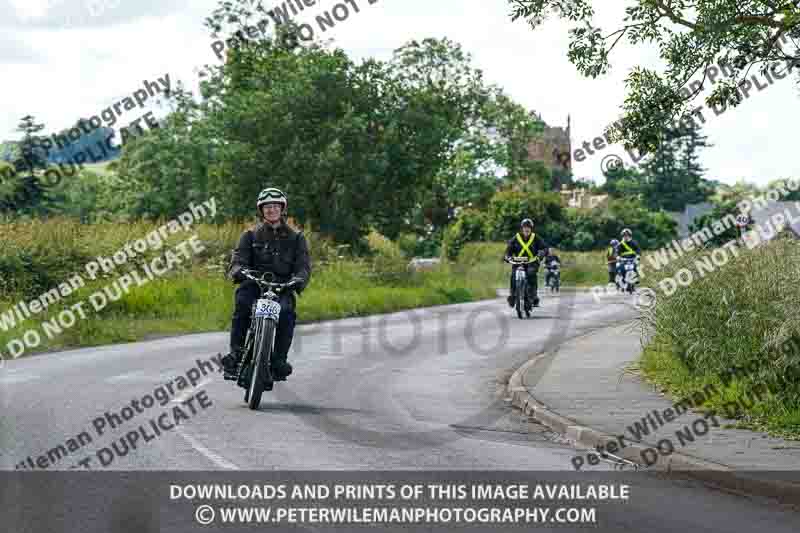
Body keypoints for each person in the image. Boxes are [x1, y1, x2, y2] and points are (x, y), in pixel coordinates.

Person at [221, 187, 311, 381]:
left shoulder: (297, 238)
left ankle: (279, 361)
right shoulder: (250, 235)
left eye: (275, 206)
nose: (271, 210)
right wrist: (239, 271)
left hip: (282, 287)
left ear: (282, 209)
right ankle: (236, 354)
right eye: (267, 207)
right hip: (254, 284)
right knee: (242, 304)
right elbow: (237, 260)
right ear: (261, 210)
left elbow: (303, 266)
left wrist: (298, 280)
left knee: (287, 315)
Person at [503, 218, 548, 310]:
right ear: (522, 228)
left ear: (531, 229)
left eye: (528, 227)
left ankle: (534, 296)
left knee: (531, 274)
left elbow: (544, 248)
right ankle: (512, 296)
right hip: (517, 262)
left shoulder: (535, 238)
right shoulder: (516, 238)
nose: (526, 229)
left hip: (532, 262)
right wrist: (507, 256)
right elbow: (508, 250)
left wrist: (541, 254)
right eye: (524, 227)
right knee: (513, 275)